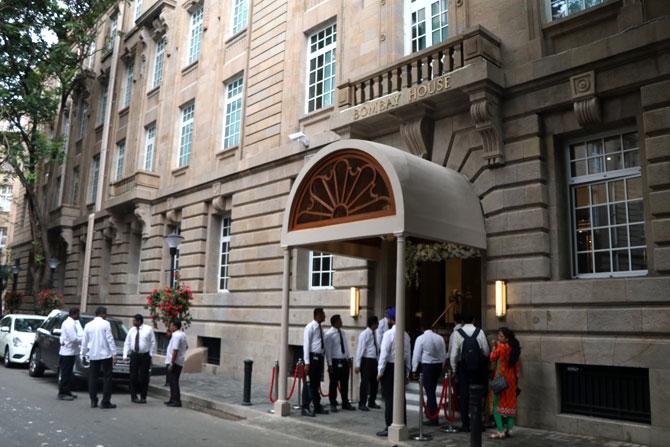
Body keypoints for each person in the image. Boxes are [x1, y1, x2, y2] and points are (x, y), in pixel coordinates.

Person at [449, 314, 490, 432]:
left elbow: (454, 354)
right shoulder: (480, 332)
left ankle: (465, 424)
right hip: (477, 369)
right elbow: (486, 351)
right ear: (474, 319)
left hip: (463, 369)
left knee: (464, 396)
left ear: (462, 321)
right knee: (478, 395)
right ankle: (477, 422)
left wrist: (454, 369)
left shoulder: (458, 333)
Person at [376, 307, 410, 437]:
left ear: (391, 319)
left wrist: (380, 371)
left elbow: (384, 354)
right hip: (401, 367)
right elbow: (408, 354)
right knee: (401, 397)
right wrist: (407, 372)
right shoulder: (405, 334)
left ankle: (390, 425)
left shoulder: (388, 334)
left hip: (390, 368)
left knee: (389, 399)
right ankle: (403, 422)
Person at [80, 306, 117, 409]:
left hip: (93, 354)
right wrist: (114, 354)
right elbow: (110, 339)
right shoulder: (106, 324)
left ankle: (93, 400)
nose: (106, 316)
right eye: (106, 314)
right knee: (107, 378)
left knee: (93, 378)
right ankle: (105, 401)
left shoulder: (88, 325)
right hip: (105, 355)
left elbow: (84, 342)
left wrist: (82, 354)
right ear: (103, 314)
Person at [412, 321, 447, 426]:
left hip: (427, 365)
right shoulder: (439, 338)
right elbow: (443, 354)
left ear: (422, 328)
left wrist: (414, 369)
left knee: (429, 391)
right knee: (432, 389)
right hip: (437, 365)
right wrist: (442, 366)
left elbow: (416, 354)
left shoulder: (421, 338)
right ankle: (430, 412)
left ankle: (433, 416)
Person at [489, 327, 521, 440]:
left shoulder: (501, 347)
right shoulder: (514, 348)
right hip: (511, 380)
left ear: (507, 338)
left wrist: (494, 347)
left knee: (496, 406)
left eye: (501, 336)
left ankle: (500, 431)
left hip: (501, 379)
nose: (498, 337)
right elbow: (517, 368)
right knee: (511, 404)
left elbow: (492, 357)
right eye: (498, 335)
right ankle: (510, 429)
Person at [123, 314, 157, 404]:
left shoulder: (148, 329)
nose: (133, 322)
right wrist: (125, 355)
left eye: (134, 321)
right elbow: (127, 342)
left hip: (145, 355)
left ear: (139, 321)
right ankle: (133, 396)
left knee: (144, 377)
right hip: (134, 355)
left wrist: (150, 354)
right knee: (133, 376)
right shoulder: (131, 330)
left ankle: (143, 396)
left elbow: (153, 342)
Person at [324, 314, 355, 412]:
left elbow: (345, 346)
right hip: (335, 361)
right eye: (340, 320)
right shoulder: (329, 334)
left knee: (344, 383)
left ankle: (345, 402)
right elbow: (328, 350)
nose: (341, 322)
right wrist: (329, 364)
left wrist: (348, 357)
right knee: (333, 383)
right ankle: (333, 402)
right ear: (335, 322)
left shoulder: (343, 333)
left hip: (344, 361)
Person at [302, 307, 327, 417]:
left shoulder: (320, 328)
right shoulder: (310, 327)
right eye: (323, 314)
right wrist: (307, 362)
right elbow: (306, 345)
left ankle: (317, 405)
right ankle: (305, 407)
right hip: (312, 358)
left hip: (319, 358)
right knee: (309, 384)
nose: (324, 316)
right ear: (317, 315)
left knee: (316, 383)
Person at [354, 315, 380, 411]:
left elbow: (376, 347)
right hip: (366, 360)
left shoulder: (374, 333)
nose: (378, 324)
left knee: (374, 382)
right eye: (377, 323)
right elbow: (360, 349)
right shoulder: (364, 334)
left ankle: (371, 401)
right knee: (365, 383)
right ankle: (362, 403)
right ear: (373, 324)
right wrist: (357, 364)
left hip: (374, 360)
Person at [58, 307, 83, 401]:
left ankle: (67, 390)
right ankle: (62, 393)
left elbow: (62, 336)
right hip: (68, 352)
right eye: (78, 313)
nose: (79, 316)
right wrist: (83, 339)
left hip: (69, 351)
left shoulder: (68, 322)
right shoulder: (69, 324)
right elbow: (73, 339)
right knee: (66, 373)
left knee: (68, 373)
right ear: (75, 314)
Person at [165, 319, 188, 407]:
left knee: (173, 382)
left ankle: (176, 401)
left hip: (174, 362)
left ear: (174, 326)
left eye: (171, 325)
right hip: (179, 361)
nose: (170, 327)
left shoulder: (176, 336)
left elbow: (175, 350)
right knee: (173, 381)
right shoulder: (183, 334)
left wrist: (172, 362)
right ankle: (172, 399)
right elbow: (186, 346)